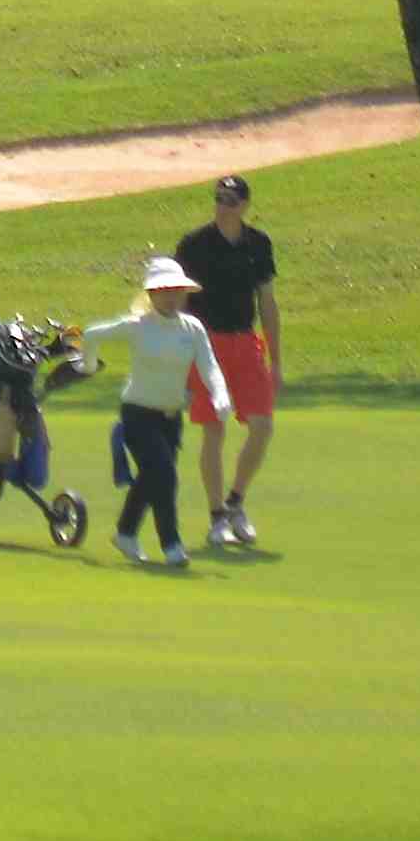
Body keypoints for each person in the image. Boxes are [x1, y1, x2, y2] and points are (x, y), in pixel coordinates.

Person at [85, 255, 227, 571]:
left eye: (177, 289)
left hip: (171, 419)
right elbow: (93, 335)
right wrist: (88, 365)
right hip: (137, 414)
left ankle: (125, 533)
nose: (172, 296)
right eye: (164, 290)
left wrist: (220, 395)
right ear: (151, 295)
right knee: (164, 475)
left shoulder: (192, 328)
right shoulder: (139, 326)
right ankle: (171, 545)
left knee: (152, 478)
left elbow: (210, 367)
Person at [173, 172, 282, 552]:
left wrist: (277, 360)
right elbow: (178, 302)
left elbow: (266, 303)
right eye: (219, 198)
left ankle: (236, 502)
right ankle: (217, 516)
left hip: (246, 343)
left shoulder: (258, 244)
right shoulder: (194, 245)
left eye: (232, 200)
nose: (224, 206)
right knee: (214, 431)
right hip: (205, 346)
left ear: (245, 205)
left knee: (262, 425)